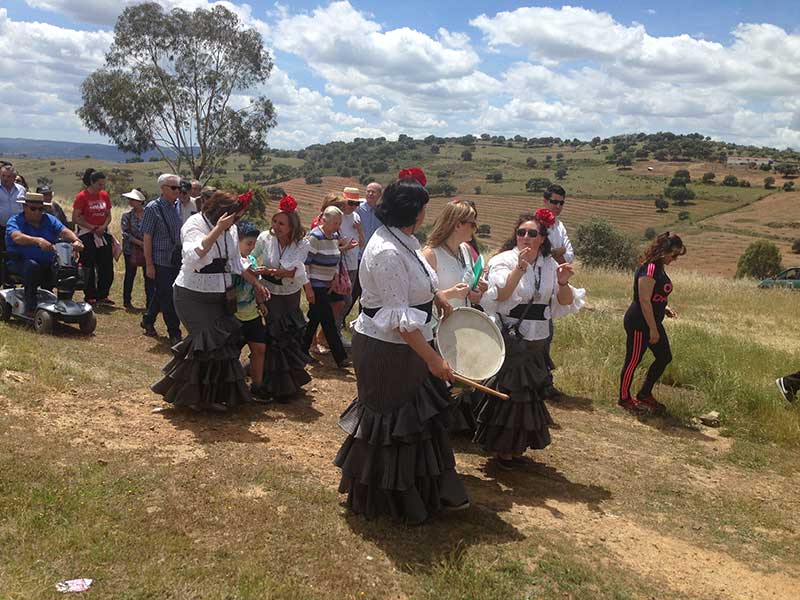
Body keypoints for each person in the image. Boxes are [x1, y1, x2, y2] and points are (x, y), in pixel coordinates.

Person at [334, 167, 469, 524]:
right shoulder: (386, 251)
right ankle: (391, 498)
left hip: (410, 345)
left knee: (419, 421)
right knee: (394, 423)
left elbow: (415, 285)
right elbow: (398, 318)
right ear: (414, 211)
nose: (427, 214)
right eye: (423, 207)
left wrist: (437, 296)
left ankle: (431, 491)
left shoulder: (403, 240)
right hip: (388, 351)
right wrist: (433, 361)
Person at [476, 210, 584, 469]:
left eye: (532, 233)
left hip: (538, 339)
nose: (525, 237)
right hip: (512, 336)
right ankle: (503, 449)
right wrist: (520, 267)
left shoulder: (549, 265)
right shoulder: (504, 260)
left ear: (542, 239)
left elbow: (563, 303)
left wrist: (564, 283)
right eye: (521, 232)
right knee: (509, 394)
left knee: (529, 396)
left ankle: (516, 447)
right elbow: (500, 295)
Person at [151, 190, 269, 412]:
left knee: (220, 347)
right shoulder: (194, 224)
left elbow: (235, 263)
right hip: (192, 295)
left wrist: (256, 283)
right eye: (234, 216)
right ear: (220, 212)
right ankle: (190, 397)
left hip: (219, 295)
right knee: (204, 344)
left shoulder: (232, 229)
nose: (237, 222)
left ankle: (209, 397)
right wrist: (217, 230)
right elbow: (194, 255)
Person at [422, 198, 488, 434]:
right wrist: (448, 294)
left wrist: (477, 289)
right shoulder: (431, 254)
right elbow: (420, 296)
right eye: (472, 223)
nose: (475, 228)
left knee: (461, 379)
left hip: (462, 324)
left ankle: (453, 424)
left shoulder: (465, 252)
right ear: (457, 224)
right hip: (438, 328)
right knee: (442, 379)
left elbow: (469, 286)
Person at [251, 195, 314, 399]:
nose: (276, 226)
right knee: (274, 335)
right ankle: (271, 380)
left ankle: (289, 380)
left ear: (292, 225)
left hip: (290, 295)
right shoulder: (265, 238)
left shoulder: (303, 244)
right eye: (275, 221)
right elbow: (251, 254)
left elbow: (292, 271)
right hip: (270, 293)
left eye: (281, 223)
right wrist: (252, 270)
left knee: (289, 335)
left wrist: (268, 271)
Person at [618, 232, 686, 415]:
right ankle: (624, 398)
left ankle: (644, 394)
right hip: (640, 322)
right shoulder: (649, 268)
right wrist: (653, 330)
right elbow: (644, 300)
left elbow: (655, 296)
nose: (675, 259)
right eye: (674, 255)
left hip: (652, 320)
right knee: (633, 360)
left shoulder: (660, 267)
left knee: (665, 357)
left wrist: (664, 307)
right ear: (664, 251)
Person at [5, 192, 83, 316]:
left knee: (69, 267)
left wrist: (76, 240)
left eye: (40, 209)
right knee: (32, 266)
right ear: (25, 207)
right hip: (19, 263)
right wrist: (37, 240)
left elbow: (64, 231)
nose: (37, 212)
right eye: (33, 209)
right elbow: (16, 237)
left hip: (47, 262)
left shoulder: (48, 219)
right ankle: (31, 308)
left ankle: (65, 303)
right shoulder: (15, 221)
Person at [302, 205, 351, 369]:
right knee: (328, 320)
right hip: (315, 285)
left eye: (339, 223)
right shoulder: (315, 236)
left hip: (328, 283)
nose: (338, 226)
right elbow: (305, 264)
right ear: (324, 220)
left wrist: (335, 276)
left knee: (314, 319)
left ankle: (301, 351)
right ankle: (340, 357)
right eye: (335, 223)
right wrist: (308, 288)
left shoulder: (335, 236)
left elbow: (336, 256)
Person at [141, 174, 183, 344]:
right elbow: (147, 238)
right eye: (174, 187)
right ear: (163, 188)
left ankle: (148, 319)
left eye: (179, 187)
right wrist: (149, 264)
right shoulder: (153, 208)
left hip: (175, 259)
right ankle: (175, 332)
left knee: (162, 292)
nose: (178, 191)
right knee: (168, 296)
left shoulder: (178, 206)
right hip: (160, 259)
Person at [542, 184, 573, 399]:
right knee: (542, 335)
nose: (558, 206)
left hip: (554, 286)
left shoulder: (560, 227)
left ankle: (544, 381)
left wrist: (556, 253)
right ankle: (543, 382)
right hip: (539, 285)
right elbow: (541, 253)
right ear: (545, 201)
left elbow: (569, 256)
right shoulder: (536, 224)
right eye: (554, 201)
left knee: (546, 335)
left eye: (561, 202)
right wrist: (556, 252)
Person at [233, 222, 270, 401]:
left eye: (254, 243)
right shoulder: (230, 261)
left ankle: (257, 386)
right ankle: (232, 387)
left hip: (252, 314)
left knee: (260, 348)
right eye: (248, 243)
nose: (252, 247)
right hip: (234, 316)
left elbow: (257, 286)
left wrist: (261, 302)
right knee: (232, 353)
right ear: (237, 241)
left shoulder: (253, 261)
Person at [72, 168, 114, 306]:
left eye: (103, 185)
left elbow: (108, 215)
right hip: (87, 234)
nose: (101, 188)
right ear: (92, 182)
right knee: (88, 265)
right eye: (99, 185)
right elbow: (76, 218)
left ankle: (103, 294)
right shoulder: (82, 197)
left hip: (102, 233)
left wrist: (103, 227)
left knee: (106, 265)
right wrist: (93, 227)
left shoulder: (104, 196)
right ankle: (90, 295)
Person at [336, 187, 365, 347]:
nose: (354, 207)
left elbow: (362, 243)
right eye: (351, 203)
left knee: (346, 301)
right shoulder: (338, 217)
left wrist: (360, 230)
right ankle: (334, 333)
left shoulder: (356, 217)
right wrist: (344, 246)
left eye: (356, 203)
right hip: (341, 264)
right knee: (341, 301)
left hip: (353, 264)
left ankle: (336, 331)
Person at [350, 181, 383, 311]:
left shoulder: (381, 213)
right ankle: (341, 320)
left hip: (373, 259)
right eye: (368, 191)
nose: (370, 193)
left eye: (373, 192)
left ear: (379, 195)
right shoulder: (358, 209)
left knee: (367, 292)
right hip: (358, 256)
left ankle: (361, 319)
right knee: (354, 290)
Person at [120, 188, 153, 310]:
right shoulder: (126, 216)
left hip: (146, 249)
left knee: (148, 276)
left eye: (133, 200)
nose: (130, 202)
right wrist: (141, 243)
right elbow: (125, 234)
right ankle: (127, 300)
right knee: (130, 274)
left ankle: (150, 302)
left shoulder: (150, 215)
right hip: (131, 249)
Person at [0, 164, 27, 250]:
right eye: (3, 176)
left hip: (19, 228)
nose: (5, 179)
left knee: (17, 252)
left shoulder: (21, 189)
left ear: (14, 177)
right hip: (1, 227)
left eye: (8, 176)